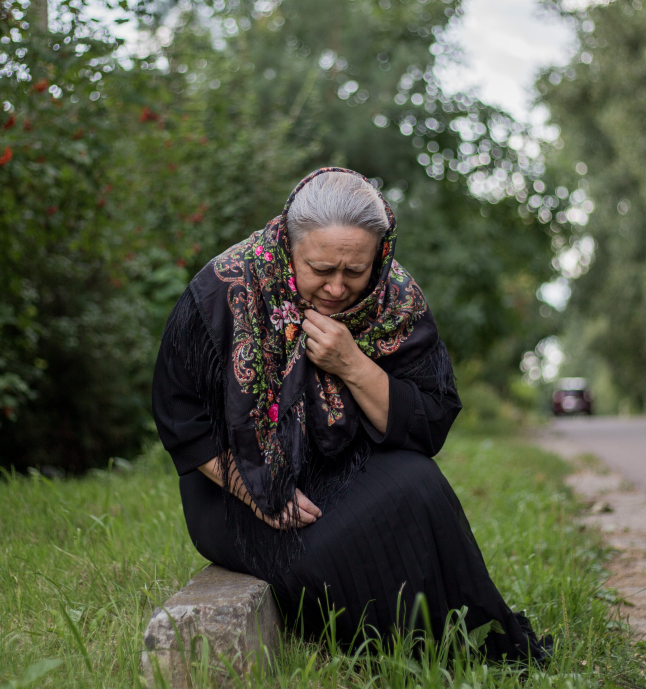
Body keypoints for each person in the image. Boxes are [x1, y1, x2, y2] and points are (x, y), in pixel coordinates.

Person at [152, 167, 548, 662]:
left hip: (340, 467)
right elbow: (183, 423)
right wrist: (260, 493)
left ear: (379, 256)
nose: (338, 289)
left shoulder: (394, 300)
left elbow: (428, 420)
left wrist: (352, 363)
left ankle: (471, 646)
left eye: (354, 271)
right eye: (320, 269)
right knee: (337, 548)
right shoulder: (221, 290)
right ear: (288, 245)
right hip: (234, 492)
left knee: (418, 484)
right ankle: (404, 655)